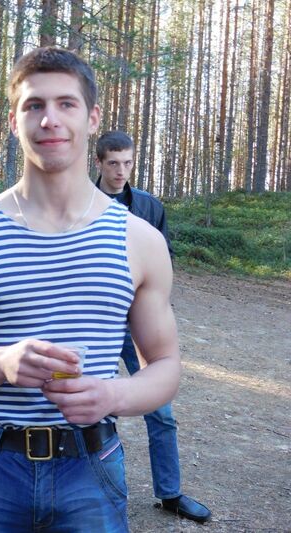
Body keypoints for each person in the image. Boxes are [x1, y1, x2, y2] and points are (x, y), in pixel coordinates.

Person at [0, 47, 181, 532]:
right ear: (15, 121)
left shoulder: (140, 241)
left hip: (92, 470)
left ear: (92, 119)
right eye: (34, 105)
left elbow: (166, 366)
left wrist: (113, 394)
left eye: (66, 104)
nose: (50, 119)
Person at [95, 130, 211, 524]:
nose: (121, 171)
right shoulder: (79, 202)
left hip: (139, 326)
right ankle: (88, 489)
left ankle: (170, 493)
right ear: (99, 163)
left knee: (160, 411)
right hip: (95, 322)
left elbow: (164, 262)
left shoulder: (149, 207)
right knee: (88, 407)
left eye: (127, 163)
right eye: (113, 163)